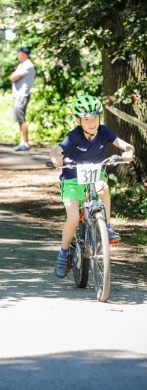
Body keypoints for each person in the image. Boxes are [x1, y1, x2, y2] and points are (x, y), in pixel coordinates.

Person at [49, 95, 134, 278]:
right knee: (72, 219)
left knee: (103, 189)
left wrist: (128, 152)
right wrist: (55, 157)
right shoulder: (74, 136)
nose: (92, 122)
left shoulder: (104, 132)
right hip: (72, 178)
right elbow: (56, 149)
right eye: (86, 119)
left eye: (95, 117)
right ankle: (63, 253)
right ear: (78, 120)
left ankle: (107, 227)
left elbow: (125, 145)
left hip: (95, 175)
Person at [9, 47, 36, 151]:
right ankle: (22, 142)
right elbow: (12, 76)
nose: (18, 56)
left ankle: (25, 142)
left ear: (23, 54)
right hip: (18, 95)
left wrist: (13, 76)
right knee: (20, 119)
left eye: (19, 54)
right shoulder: (22, 65)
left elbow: (13, 77)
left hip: (22, 95)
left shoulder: (28, 65)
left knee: (21, 119)